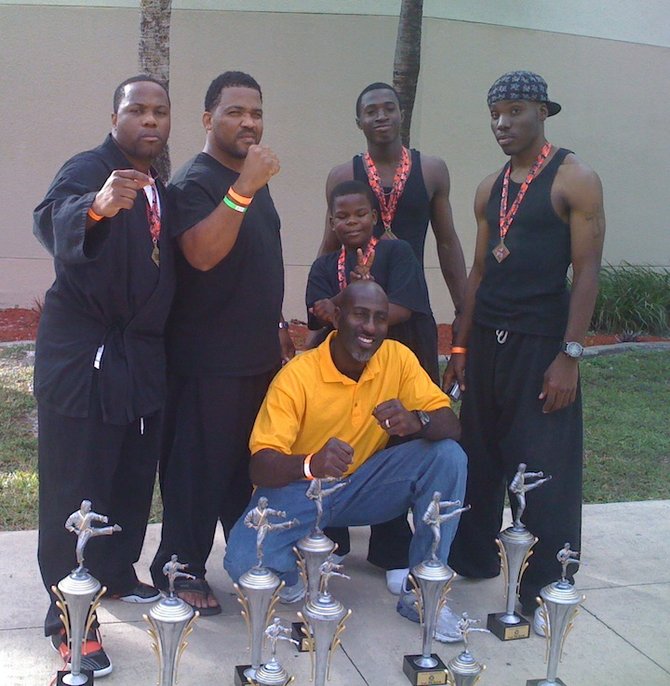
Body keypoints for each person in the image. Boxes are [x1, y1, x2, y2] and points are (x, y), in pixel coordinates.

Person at [445, 71, 606, 634]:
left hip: (542, 342)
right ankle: (472, 559)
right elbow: (480, 270)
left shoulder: (575, 178)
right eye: (495, 114)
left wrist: (571, 354)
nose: (502, 123)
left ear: (542, 112)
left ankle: (545, 587)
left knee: (543, 467)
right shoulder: (490, 187)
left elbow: (586, 272)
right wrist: (460, 343)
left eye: (514, 111)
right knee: (479, 454)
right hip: (488, 337)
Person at [224, 281, 469, 643]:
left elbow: (452, 425)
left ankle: (422, 592)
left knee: (448, 456)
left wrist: (420, 420)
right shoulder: (297, 376)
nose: (370, 328)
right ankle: (296, 573)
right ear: (337, 318)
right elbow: (260, 466)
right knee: (243, 563)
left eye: (380, 319)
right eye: (360, 315)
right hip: (302, 489)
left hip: (365, 485)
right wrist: (311, 463)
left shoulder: (396, 358)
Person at [33, 74, 174, 678]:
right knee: (77, 489)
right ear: (115, 116)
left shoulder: (159, 186)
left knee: (127, 474)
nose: (149, 120)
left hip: (137, 358)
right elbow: (50, 218)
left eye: (159, 111)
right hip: (83, 356)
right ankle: (69, 618)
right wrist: (94, 206)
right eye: (137, 109)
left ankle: (113, 574)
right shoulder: (91, 169)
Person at [149, 71, 293, 616]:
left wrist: (277, 324)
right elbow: (203, 254)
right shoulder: (197, 181)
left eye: (255, 113)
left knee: (242, 470)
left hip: (254, 358)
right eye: (235, 112)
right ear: (209, 120)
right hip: (205, 360)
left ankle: (245, 558)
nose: (248, 122)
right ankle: (179, 565)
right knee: (196, 469)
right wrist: (243, 189)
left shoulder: (250, 179)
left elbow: (255, 259)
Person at [319, 82, 468, 591]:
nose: (380, 117)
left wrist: (465, 314)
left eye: (389, 108)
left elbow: (447, 242)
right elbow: (329, 241)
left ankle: (390, 543)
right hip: (350, 326)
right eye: (370, 111)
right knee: (344, 415)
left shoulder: (431, 170)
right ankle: (330, 531)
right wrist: (323, 300)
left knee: (399, 421)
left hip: (408, 324)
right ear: (358, 121)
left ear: (402, 115)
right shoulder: (344, 175)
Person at [308, 180, 440, 383]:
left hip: (397, 363)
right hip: (342, 370)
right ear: (332, 223)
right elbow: (317, 316)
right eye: (343, 217)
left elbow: (403, 309)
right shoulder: (323, 266)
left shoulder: (398, 252)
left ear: (374, 217)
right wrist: (349, 293)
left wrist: (337, 307)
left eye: (360, 214)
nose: (352, 221)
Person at [65, 500, 122, 571]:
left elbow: (98, 517)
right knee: (79, 549)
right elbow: (67, 525)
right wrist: (75, 530)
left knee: (101, 531)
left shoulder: (90, 515)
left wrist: (108, 519)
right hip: (82, 534)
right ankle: (81, 565)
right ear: (83, 507)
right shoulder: (74, 516)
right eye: (88, 507)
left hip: (90, 531)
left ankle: (113, 529)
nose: (90, 509)